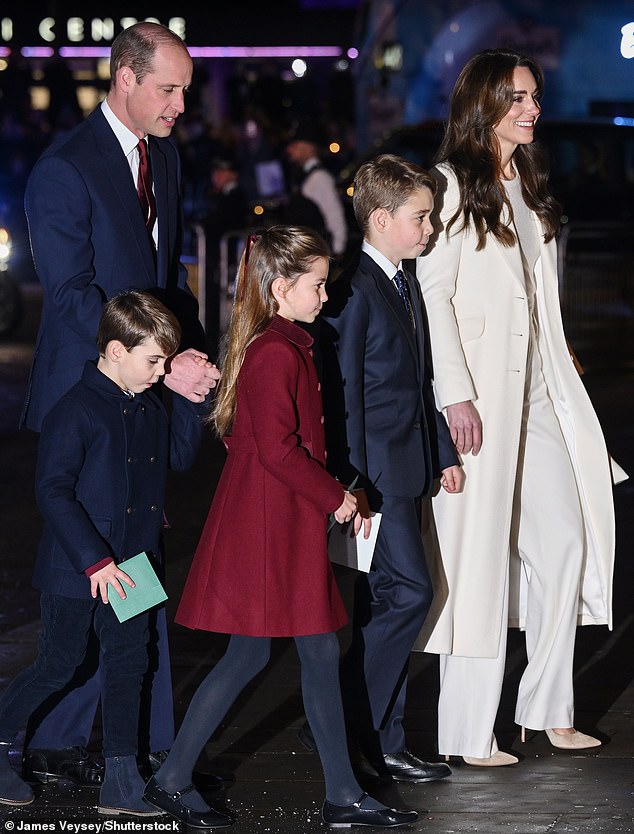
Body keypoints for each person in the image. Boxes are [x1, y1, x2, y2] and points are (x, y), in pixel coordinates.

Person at [142, 226, 418, 829]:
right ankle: (183, 777)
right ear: (280, 287)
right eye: (317, 285)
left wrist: (330, 491)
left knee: (288, 653)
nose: (326, 295)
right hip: (271, 524)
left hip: (279, 518)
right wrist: (334, 497)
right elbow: (276, 448)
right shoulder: (275, 350)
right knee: (281, 653)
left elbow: (266, 441)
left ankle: (188, 777)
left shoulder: (285, 342)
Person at [20, 22, 221, 786]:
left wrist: (192, 356)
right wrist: (158, 364)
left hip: (145, 395)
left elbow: (167, 278)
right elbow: (73, 301)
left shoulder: (162, 158)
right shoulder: (65, 169)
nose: (179, 106)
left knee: (132, 572)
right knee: (95, 580)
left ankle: (120, 744)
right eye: (168, 90)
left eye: (185, 91)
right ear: (125, 78)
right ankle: (58, 740)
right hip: (89, 402)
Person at [415, 48, 617, 766]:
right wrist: (454, 392)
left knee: (567, 542)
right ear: (484, 105)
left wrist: (559, 356)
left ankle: (548, 709)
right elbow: (432, 294)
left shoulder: (528, 186)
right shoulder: (446, 186)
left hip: (540, 395)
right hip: (479, 404)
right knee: (477, 562)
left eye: (533, 96)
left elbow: (537, 296)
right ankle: (469, 733)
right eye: (519, 98)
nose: (533, 109)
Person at [0, 291, 207, 815]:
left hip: (136, 560)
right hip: (80, 566)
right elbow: (53, 490)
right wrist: (96, 560)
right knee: (60, 663)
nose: (161, 372)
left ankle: (122, 779)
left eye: (165, 362)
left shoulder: (150, 403)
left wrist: (187, 396)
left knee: (130, 664)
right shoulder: (75, 408)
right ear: (116, 350)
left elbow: (180, 457)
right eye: (153, 361)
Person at [318, 154, 463, 782]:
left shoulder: (404, 283)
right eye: (420, 217)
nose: (429, 229)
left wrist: (443, 453)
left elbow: (419, 380)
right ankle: (358, 728)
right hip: (373, 477)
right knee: (411, 593)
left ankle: (381, 734)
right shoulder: (354, 291)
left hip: (406, 467)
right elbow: (343, 392)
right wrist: (348, 481)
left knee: (388, 602)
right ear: (380, 219)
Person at [285, 119, 348, 259]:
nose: (289, 149)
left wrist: (336, 253)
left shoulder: (319, 178)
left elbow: (334, 216)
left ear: (308, 147)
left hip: (316, 257)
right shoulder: (302, 176)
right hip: (306, 256)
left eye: (295, 144)